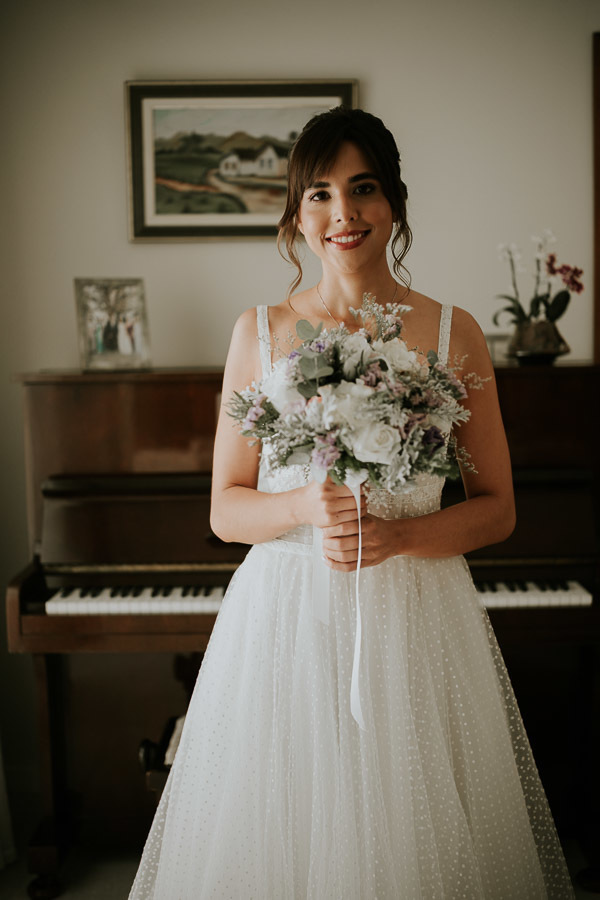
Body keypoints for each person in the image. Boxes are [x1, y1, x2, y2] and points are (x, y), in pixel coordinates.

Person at [129, 107, 574, 899]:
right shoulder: (258, 333)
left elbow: (498, 508)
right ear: (297, 215)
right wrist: (304, 505)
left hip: (415, 617)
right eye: (321, 195)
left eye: (363, 189)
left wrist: (400, 540)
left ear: (394, 202)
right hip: (284, 626)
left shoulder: (452, 334)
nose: (344, 215)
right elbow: (226, 511)